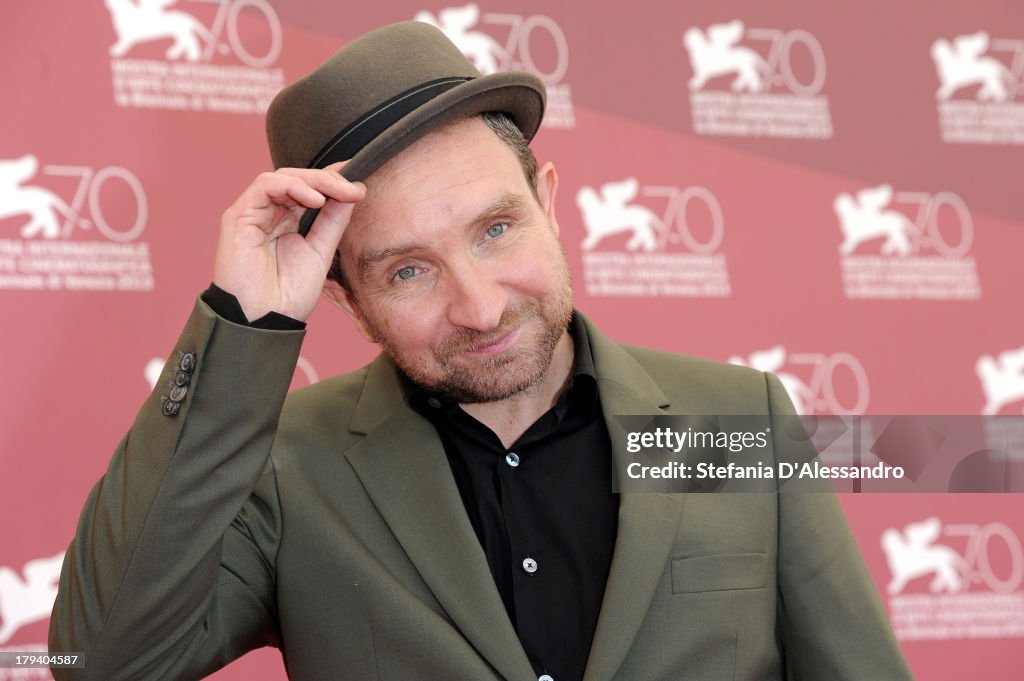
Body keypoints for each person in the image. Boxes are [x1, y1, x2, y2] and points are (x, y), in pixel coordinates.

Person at [49, 21, 914, 681]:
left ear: (547, 197)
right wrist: (244, 324)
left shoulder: (736, 417)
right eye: (409, 271)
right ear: (343, 294)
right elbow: (101, 658)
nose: (482, 304)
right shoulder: (286, 464)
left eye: (496, 229)